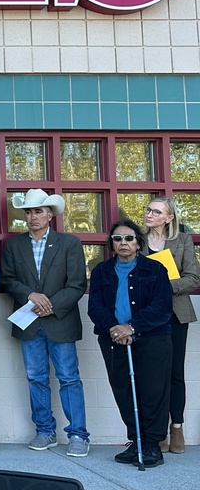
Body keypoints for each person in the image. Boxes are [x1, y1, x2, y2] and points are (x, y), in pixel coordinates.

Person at [0, 188, 90, 457]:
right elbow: (6, 279)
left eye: (38, 211)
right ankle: (45, 431)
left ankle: (78, 435)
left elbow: (77, 284)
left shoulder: (69, 243)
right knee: (35, 378)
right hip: (29, 323)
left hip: (60, 321)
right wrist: (31, 296)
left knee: (69, 378)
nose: (32, 216)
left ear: (50, 214)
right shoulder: (14, 245)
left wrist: (49, 305)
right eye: (28, 212)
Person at [88, 219, 173, 467]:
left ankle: (152, 445)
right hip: (113, 339)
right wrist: (115, 329)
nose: (123, 243)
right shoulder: (101, 271)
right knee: (124, 390)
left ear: (138, 243)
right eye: (117, 239)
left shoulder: (155, 269)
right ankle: (136, 441)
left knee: (152, 392)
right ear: (111, 244)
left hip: (151, 338)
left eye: (129, 238)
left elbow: (162, 306)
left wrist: (132, 327)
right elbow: (95, 307)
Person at [141, 196, 199, 453]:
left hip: (175, 314)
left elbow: (194, 276)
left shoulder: (183, 241)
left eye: (156, 211)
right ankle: (157, 429)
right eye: (148, 210)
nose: (150, 214)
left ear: (169, 217)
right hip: (145, 315)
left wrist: (163, 288)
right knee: (152, 374)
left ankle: (177, 427)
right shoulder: (137, 240)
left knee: (175, 372)